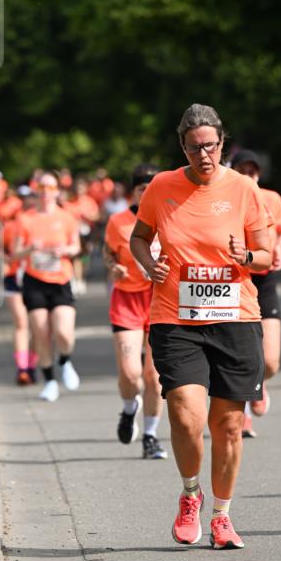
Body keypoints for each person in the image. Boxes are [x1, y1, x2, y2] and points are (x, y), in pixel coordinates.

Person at [130, 104, 272, 550]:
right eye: (194, 148)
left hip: (235, 318)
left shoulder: (245, 189)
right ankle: (190, 495)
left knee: (228, 425)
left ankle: (222, 517)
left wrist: (244, 256)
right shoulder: (162, 186)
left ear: (222, 144)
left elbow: (266, 256)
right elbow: (139, 235)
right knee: (186, 415)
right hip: (177, 317)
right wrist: (149, 263)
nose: (203, 155)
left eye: (210, 146)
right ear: (183, 147)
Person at [104, 164, 168, 460]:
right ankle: (130, 409)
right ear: (134, 191)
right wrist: (113, 267)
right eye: (143, 188)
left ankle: (151, 436)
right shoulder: (118, 221)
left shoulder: (170, 215)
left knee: (154, 377)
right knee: (131, 374)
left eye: (153, 187)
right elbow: (109, 252)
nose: (148, 193)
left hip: (161, 303)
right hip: (128, 302)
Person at [230, 150, 281, 437]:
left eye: (252, 172)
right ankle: (241, 416)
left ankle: (260, 381)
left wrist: (279, 246)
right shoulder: (226, 198)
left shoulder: (272, 199)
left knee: (270, 361)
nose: (248, 177)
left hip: (264, 281)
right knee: (239, 356)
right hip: (235, 280)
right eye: (242, 170)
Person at [13, 171, 82, 402]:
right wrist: (30, 249)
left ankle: (65, 360)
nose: (45, 193)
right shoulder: (25, 219)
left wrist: (66, 251)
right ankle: (50, 381)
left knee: (64, 333)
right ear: (36, 190)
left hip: (61, 280)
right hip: (35, 281)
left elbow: (76, 247)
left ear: (57, 192)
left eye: (50, 188)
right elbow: (15, 252)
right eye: (41, 188)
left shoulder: (67, 217)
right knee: (41, 333)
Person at [2, 185, 38, 385]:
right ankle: (22, 368)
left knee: (37, 327)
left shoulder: (45, 222)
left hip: (40, 278)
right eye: (25, 198)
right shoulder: (12, 224)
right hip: (15, 277)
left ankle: (32, 365)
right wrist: (7, 260)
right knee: (22, 324)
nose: (29, 201)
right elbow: (0, 247)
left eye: (32, 197)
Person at [64, 177, 100, 295]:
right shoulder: (69, 202)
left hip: (87, 233)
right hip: (75, 234)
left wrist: (88, 217)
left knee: (86, 258)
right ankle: (77, 280)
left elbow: (97, 216)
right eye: (77, 187)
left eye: (81, 187)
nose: (79, 190)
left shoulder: (90, 201)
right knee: (76, 257)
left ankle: (81, 277)